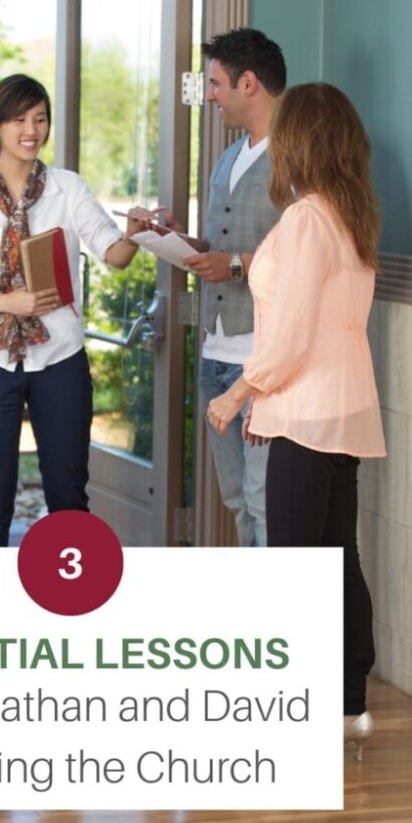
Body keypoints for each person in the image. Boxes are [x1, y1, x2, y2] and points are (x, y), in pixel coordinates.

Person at [206, 82, 386, 755]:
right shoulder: (348, 212)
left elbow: (290, 333)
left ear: (301, 138)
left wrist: (239, 394)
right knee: (337, 560)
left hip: (306, 413)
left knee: (293, 569)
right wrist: (269, 402)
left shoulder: (308, 219)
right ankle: (346, 704)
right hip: (334, 412)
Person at [0, 74, 153, 546]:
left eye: (41, 118)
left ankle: (70, 608)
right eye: (19, 119)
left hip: (60, 360)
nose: (32, 130)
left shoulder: (68, 188)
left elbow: (113, 253)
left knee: (68, 497)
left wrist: (133, 233)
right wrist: (4, 302)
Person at [165, 28, 286, 547]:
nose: (209, 94)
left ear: (249, 83)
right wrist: (176, 240)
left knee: (264, 503)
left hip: (262, 361)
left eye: (215, 83)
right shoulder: (229, 156)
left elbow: (309, 257)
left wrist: (233, 264)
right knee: (238, 503)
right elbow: (223, 243)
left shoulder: (298, 156)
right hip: (215, 354)